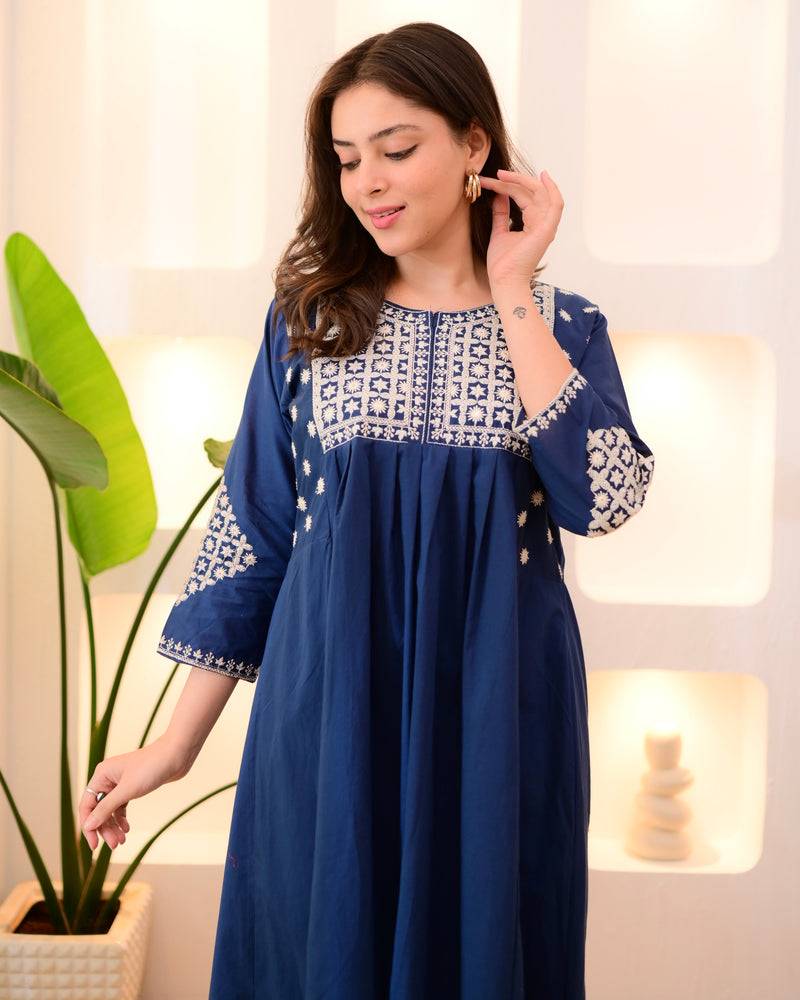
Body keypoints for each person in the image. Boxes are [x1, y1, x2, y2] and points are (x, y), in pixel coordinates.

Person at [79, 21, 655, 999]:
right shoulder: (310, 322)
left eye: (395, 149)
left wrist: (512, 289)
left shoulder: (561, 326)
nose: (368, 183)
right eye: (347, 160)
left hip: (498, 716)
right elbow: (253, 533)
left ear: (474, 145)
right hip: (328, 709)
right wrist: (174, 748)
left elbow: (602, 498)